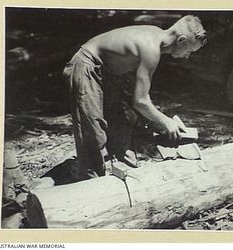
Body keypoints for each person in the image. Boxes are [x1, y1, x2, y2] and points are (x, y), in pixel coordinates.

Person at [63, 15, 207, 180]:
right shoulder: (151, 48)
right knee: (93, 133)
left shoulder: (156, 37)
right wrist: (165, 121)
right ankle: (92, 186)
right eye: (189, 50)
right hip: (86, 66)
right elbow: (140, 100)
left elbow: (139, 96)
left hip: (107, 73)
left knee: (123, 122)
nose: (187, 56)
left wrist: (158, 120)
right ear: (181, 40)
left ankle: (129, 177)